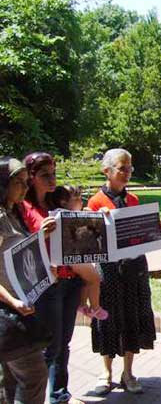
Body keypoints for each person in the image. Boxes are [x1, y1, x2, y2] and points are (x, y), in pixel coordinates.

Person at [87, 149, 156, 396]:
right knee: (107, 317)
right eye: (122, 168)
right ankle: (106, 371)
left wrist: (152, 229)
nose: (127, 173)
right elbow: (88, 238)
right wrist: (97, 220)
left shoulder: (134, 200)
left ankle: (128, 372)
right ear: (107, 171)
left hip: (134, 267)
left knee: (133, 315)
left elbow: (138, 234)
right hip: (108, 269)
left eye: (130, 168)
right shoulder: (95, 202)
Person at [20, 152, 83, 404]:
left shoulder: (55, 203)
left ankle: (59, 395)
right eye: (45, 175)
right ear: (31, 177)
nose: (51, 179)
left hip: (70, 279)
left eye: (54, 174)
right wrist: (40, 235)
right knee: (50, 346)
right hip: (47, 284)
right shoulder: (22, 207)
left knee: (64, 343)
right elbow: (18, 250)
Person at [0, 157, 48, 404]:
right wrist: (14, 302)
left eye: (25, 182)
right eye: (18, 182)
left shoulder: (15, 213)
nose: (25, 187)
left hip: (20, 305)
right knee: (35, 375)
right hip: (7, 310)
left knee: (11, 378)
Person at [51, 185, 107, 320]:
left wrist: (98, 213)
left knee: (86, 281)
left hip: (74, 256)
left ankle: (82, 304)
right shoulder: (60, 214)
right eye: (77, 198)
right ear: (64, 202)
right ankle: (95, 307)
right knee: (95, 278)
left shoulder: (65, 213)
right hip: (71, 256)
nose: (81, 201)